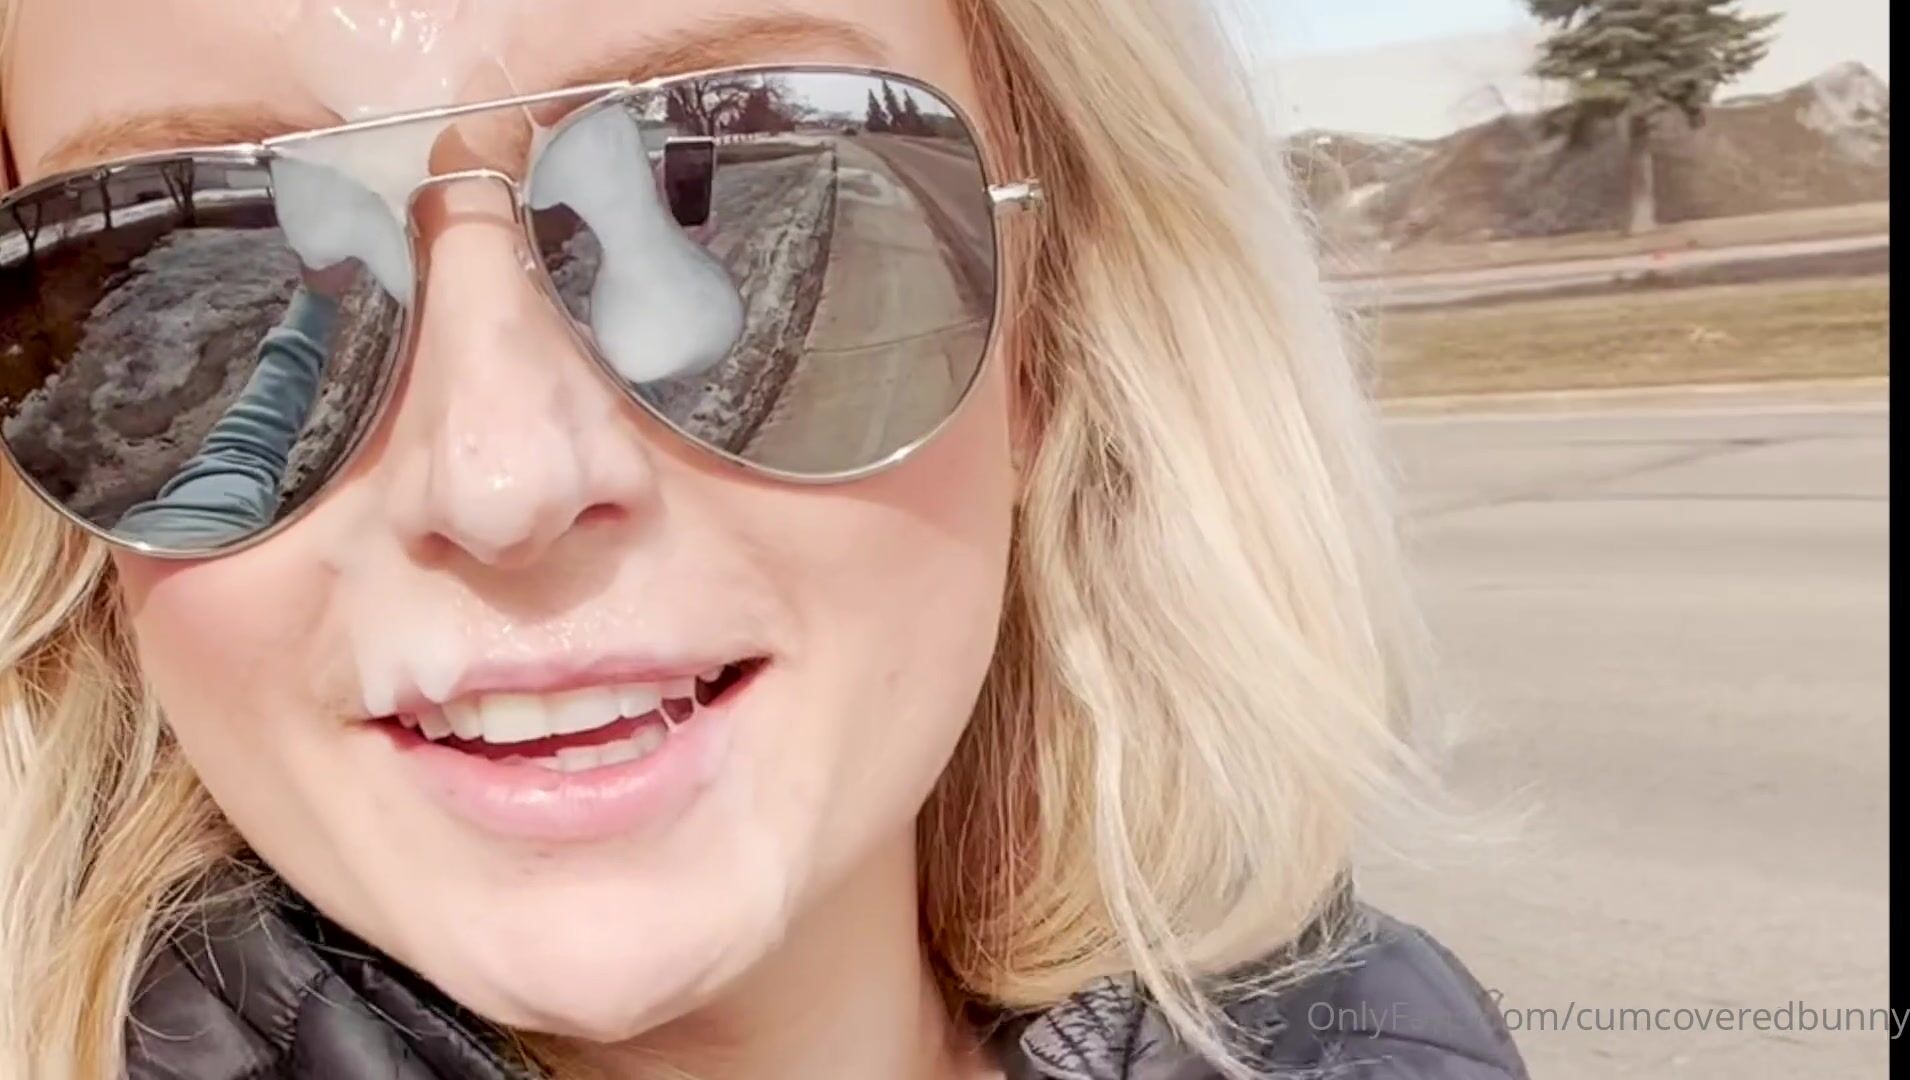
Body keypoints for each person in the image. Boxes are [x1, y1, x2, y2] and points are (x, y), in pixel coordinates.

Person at [0, 2, 1528, 1079]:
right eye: (188, 263)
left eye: (725, 190)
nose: (500, 483)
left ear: (1050, 341)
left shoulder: (1371, 1041)